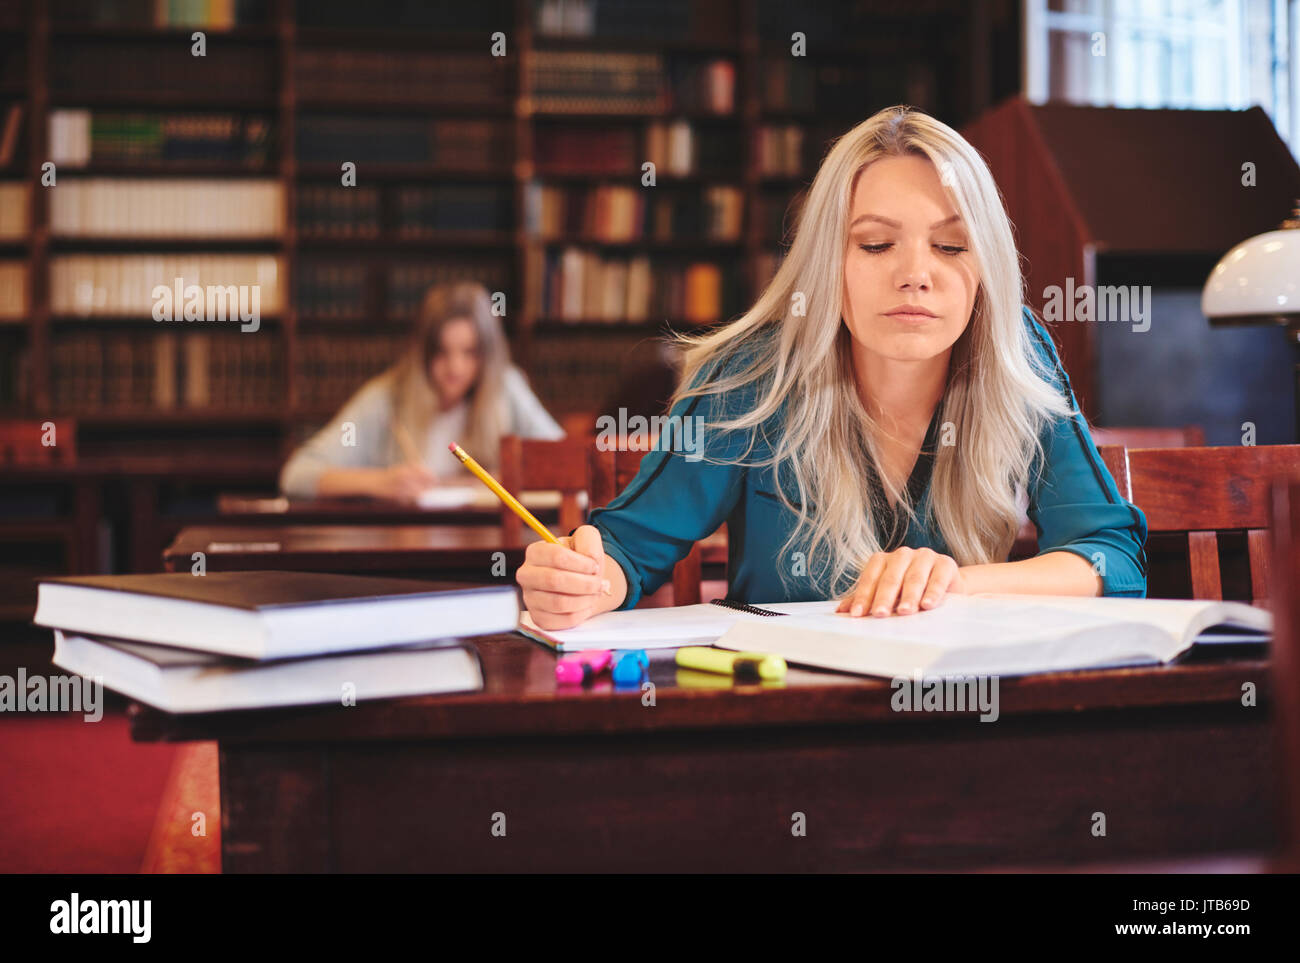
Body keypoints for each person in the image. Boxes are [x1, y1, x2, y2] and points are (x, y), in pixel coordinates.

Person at [516, 105, 1147, 629]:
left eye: (952, 245)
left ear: (985, 268)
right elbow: (628, 549)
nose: (916, 275)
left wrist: (956, 583)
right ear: (827, 261)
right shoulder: (752, 372)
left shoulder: (1014, 349)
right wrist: (584, 582)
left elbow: (1111, 559)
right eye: (876, 244)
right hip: (787, 716)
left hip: (960, 710)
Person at [280, 281, 563, 501]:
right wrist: (380, 483)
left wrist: (506, 477)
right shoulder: (385, 398)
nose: (455, 367)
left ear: (487, 356)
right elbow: (297, 475)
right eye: (441, 352)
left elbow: (567, 463)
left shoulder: (506, 387)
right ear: (423, 353)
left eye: (470, 353)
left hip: (494, 545)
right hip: (406, 546)